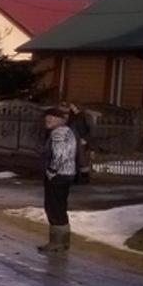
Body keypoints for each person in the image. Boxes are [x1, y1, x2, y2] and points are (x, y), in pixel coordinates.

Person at [41, 107, 79, 254]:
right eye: (47, 118)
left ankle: (56, 243)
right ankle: (62, 243)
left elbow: (60, 154)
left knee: (54, 209)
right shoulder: (67, 131)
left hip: (58, 176)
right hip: (66, 175)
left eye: (51, 118)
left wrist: (52, 171)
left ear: (60, 120)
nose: (48, 120)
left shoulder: (59, 133)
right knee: (59, 208)